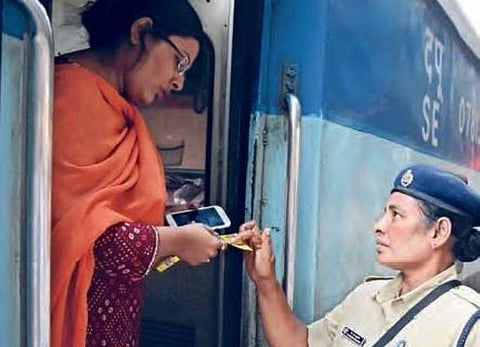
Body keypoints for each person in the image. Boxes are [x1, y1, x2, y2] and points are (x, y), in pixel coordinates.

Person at [51, 1, 224, 346]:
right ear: (140, 31)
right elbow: (77, 238)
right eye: (180, 62)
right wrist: (171, 241)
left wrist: (170, 222)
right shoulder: (70, 97)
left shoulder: (114, 107)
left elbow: (106, 212)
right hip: (78, 322)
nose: (178, 82)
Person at [239, 164, 480, 346]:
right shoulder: (366, 296)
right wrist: (266, 282)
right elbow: (300, 343)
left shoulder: (468, 323)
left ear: (439, 232)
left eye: (396, 215)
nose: (378, 225)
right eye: (384, 213)